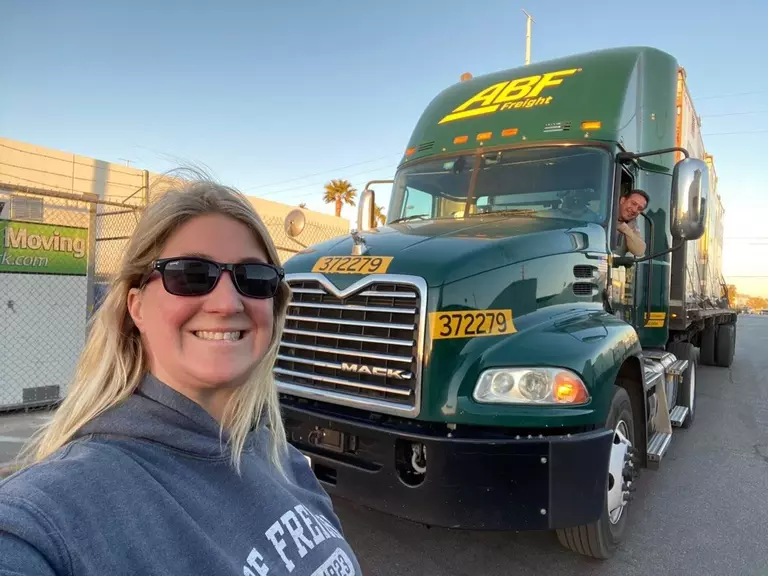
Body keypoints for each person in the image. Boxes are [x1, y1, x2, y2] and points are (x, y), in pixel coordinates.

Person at [0, 172, 361, 576]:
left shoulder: (278, 454)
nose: (227, 302)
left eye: (253, 278)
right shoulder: (56, 510)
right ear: (136, 307)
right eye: (190, 274)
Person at [616, 189, 649, 257]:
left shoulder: (632, 224)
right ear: (622, 200)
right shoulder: (603, 214)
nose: (634, 210)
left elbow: (639, 251)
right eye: (633, 203)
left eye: (639, 208)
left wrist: (625, 229)